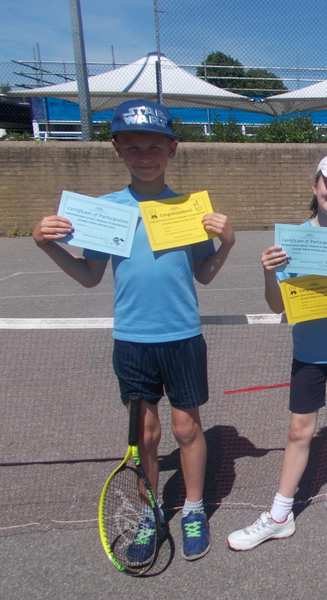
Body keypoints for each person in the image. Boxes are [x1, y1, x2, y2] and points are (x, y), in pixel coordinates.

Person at [32, 100, 236, 561]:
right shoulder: (107, 210)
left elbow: (203, 274)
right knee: (145, 435)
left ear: (173, 150)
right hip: (132, 342)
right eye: (134, 147)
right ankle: (150, 515)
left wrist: (228, 243)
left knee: (187, 428)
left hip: (182, 337)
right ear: (117, 150)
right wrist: (47, 246)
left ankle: (194, 510)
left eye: (154, 146)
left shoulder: (187, 210)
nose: (145, 155)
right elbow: (89, 275)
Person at [226, 150, 327, 551]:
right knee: (300, 429)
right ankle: (280, 514)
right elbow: (277, 306)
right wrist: (267, 271)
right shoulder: (290, 240)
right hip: (309, 352)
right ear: (315, 185)